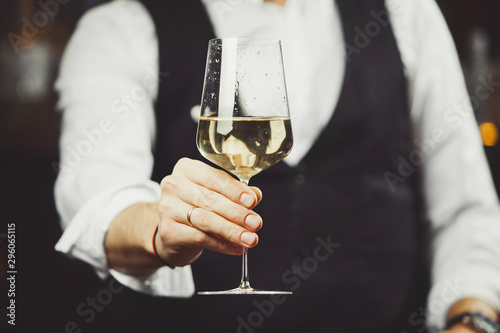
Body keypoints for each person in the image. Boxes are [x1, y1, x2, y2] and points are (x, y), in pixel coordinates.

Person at [54, 0, 500, 332]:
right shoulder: (121, 27)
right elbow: (97, 201)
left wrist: (472, 319)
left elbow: (466, 210)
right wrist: (158, 226)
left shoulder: (406, 14)